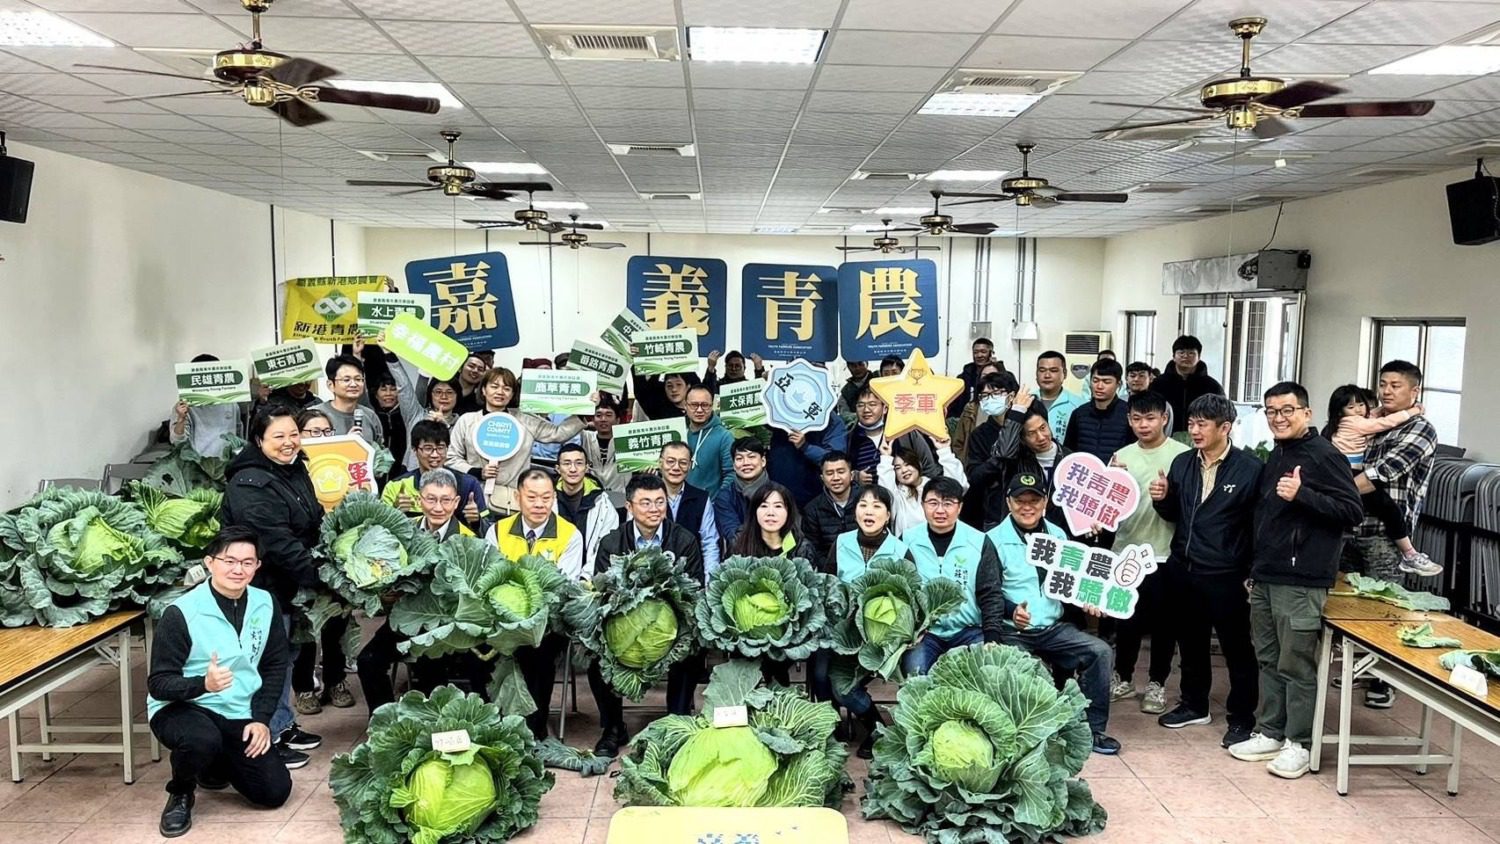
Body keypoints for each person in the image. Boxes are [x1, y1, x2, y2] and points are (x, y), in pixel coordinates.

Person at [1227, 382, 1363, 779]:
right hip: (1267, 575)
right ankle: (1271, 731)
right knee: (1269, 659)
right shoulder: (1279, 453)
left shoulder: (1325, 455)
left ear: (1306, 412)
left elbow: (1352, 511)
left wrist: (1303, 494)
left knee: (1297, 664)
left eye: (1287, 410)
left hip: (1302, 579)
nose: (1279, 418)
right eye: (1271, 411)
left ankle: (1299, 743)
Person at [147, 527, 293, 838]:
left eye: (247, 562)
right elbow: (158, 683)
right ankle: (181, 792)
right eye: (229, 561)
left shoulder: (266, 603)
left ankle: (213, 763)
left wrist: (261, 719)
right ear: (209, 563)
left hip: (238, 709)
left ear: (257, 566)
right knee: (201, 739)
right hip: (182, 706)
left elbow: (275, 665)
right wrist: (203, 684)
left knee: (273, 792)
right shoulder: (181, 612)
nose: (238, 569)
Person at [1150, 394, 1262, 747]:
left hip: (1227, 573)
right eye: (1191, 423)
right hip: (1184, 567)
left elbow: (1258, 526)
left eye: (1202, 424)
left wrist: (1251, 572)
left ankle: (1242, 718)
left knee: (1236, 648)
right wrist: (1162, 498)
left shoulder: (1250, 469)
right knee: (1190, 642)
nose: (1194, 431)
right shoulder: (1182, 463)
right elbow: (1175, 515)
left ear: (1225, 427)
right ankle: (1194, 704)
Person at [221, 408, 322, 769]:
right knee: (263, 662)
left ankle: (280, 723)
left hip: (286, 584)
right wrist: (320, 575)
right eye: (278, 436)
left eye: (293, 434)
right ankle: (264, 739)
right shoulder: (249, 483)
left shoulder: (293, 468)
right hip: (260, 587)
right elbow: (276, 542)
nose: (289, 442)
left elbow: (312, 518)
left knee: (283, 657)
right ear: (259, 440)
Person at [991, 474, 1120, 755]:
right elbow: (987, 593)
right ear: (1008, 503)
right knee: (1025, 674)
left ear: (1045, 502)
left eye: (1034, 500)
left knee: (1100, 651)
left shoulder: (1058, 535)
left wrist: (1089, 599)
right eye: (1020, 500)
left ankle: (1092, 730)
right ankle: (1023, 737)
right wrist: (1012, 610)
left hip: (1054, 628)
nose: (1027, 507)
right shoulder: (992, 540)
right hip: (1013, 632)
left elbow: (1072, 581)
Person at [1345, 361, 1441, 709]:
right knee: (1351, 606)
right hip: (1351, 526)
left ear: (1415, 391)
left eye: (1395, 385)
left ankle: (1384, 680)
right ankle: (1360, 666)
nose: (1386, 391)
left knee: (1386, 608)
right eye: (1383, 384)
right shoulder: (1372, 423)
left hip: (1385, 534)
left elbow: (1380, 473)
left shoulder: (1420, 429)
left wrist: (1332, 491)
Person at [590, 474, 705, 756]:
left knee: (691, 651)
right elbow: (602, 593)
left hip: (672, 629)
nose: (654, 509)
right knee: (594, 658)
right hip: (623, 630)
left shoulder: (684, 540)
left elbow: (694, 589)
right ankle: (613, 727)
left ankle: (676, 720)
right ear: (629, 507)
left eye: (660, 502)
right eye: (645, 503)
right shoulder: (611, 543)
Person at [355, 469, 486, 713]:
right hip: (406, 617)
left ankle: (432, 725)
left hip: (448, 625)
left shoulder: (470, 540)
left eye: (446, 500)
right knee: (368, 661)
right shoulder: (402, 531)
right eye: (431, 499)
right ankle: (384, 721)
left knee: (431, 671)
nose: (438, 507)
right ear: (419, 499)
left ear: (456, 502)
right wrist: (385, 595)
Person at [486, 469, 584, 739]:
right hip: (502, 619)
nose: (539, 504)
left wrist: (531, 618)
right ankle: (491, 723)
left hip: (548, 622)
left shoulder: (570, 535)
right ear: (518, 497)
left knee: (538, 652)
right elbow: (490, 578)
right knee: (475, 651)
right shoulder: (497, 531)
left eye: (546, 497)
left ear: (554, 498)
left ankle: (534, 729)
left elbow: (564, 587)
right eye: (531, 497)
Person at [1107, 392, 1189, 715]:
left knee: (1165, 624)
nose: (1144, 425)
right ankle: (1123, 678)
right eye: (1137, 419)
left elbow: (1188, 504)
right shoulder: (1121, 456)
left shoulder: (1182, 455)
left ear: (1164, 418)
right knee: (1126, 619)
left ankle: (1157, 683)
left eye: (1151, 418)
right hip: (1126, 551)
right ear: (1129, 420)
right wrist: (1113, 481)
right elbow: (1108, 506)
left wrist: (1168, 494)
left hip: (1165, 552)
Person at [1323, 384, 1439, 576]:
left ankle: (1409, 553)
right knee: (1388, 507)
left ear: (1414, 390)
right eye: (1351, 407)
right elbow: (1383, 423)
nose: (1358, 410)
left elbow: (1372, 416)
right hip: (1350, 475)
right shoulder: (1355, 423)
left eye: (1361, 405)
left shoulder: (1336, 426)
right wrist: (1414, 410)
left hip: (1367, 529)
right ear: (1340, 411)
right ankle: (1409, 553)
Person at [830, 485, 909, 757]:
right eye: (863, 505)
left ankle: (880, 729)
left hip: (885, 641)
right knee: (831, 683)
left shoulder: (900, 550)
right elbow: (828, 585)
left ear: (888, 515)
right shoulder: (841, 543)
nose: (869, 512)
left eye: (877, 506)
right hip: (846, 636)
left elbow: (912, 597)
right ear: (855, 512)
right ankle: (872, 724)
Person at [900, 477, 1006, 676]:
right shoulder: (907, 541)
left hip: (968, 630)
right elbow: (900, 592)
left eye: (948, 503)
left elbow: (991, 592)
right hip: (925, 634)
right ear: (923, 505)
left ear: (960, 507)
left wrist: (992, 635)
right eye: (933, 503)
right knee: (914, 673)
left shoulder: (979, 541)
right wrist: (910, 630)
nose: (940, 510)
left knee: (984, 673)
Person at [447, 368, 588, 516]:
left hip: (512, 501)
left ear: (513, 394)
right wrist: (476, 472)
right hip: (473, 499)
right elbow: (451, 457)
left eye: (507, 388)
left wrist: (584, 409)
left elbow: (557, 433)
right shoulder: (467, 420)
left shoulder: (524, 419)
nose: (500, 392)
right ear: (483, 390)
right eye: (494, 386)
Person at [287, 410, 354, 717]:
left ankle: (336, 681)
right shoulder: (291, 471)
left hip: (338, 553)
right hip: (302, 555)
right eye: (313, 432)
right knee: (304, 626)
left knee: (337, 622)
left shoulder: (343, 460)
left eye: (327, 431)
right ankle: (303, 687)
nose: (321, 438)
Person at [383, 420, 486, 533]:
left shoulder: (469, 484)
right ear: (414, 450)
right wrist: (395, 513)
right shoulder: (395, 486)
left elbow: (488, 529)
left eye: (440, 448)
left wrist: (476, 521)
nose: (435, 455)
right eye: (428, 448)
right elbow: (380, 529)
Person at [961, 371, 1022, 529]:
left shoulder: (1025, 425)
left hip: (1025, 500)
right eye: (985, 395)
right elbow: (974, 475)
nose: (990, 398)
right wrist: (998, 460)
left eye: (996, 393)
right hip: (992, 509)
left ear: (1011, 396)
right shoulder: (979, 434)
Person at [659, 440, 722, 580]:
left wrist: (710, 582)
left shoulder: (701, 498)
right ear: (660, 463)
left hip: (692, 577)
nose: (676, 467)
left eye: (683, 462)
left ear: (690, 465)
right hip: (656, 578)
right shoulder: (647, 498)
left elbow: (710, 543)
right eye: (670, 461)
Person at [848, 388, 938, 487]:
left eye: (872, 404)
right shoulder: (850, 440)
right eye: (860, 405)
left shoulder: (905, 433)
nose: (866, 410)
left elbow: (928, 466)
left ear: (885, 408)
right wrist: (855, 477)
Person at [879, 437, 966, 536]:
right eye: (898, 468)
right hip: (908, 544)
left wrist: (945, 452)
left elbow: (958, 487)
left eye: (908, 464)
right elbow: (886, 494)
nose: (904, 470)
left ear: (918, 464)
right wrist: (885, 458)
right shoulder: (898, 496)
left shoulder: (935, 487)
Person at [170, 354, 250, 457]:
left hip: (229, 460)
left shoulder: (231, 404)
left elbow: (239, 433)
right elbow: (177, 441)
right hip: (198, 462)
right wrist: (181, 419)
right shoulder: (184, 408)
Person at [554, 442, 620, 567]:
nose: (573, 469)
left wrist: (586, 575)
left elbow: (606, 547)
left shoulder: (602, 504)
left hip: (590, 574)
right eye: (567, 463)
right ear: (558, 468)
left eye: (579, 463)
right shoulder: (547, 500)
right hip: (552, 572)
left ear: (587, 467)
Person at [769, 413, 849, 507]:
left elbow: (836, 459)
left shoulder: (830, 419)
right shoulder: (779, 412)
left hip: (813, 497)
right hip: (778, 494)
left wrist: (805, 446)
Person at [1150, 335, 1225, 434]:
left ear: (1199, 357)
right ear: (1173, 357)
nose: (1186, 356)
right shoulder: (1158, 384)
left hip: (1201, 437)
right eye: (1181, 352)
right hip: (1165, 437)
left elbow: (1222, 414)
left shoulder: (1212, 387)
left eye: (1191, 353)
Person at [731, 481, 820, 564]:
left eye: (778, 506)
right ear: (754, 511)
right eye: (764, 506)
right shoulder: (739, 544)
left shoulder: (802, 549)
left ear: (788, 512)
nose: (770, 513)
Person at [1064, 358, 1132, 463]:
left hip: (1116, 471)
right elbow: (1068, 451)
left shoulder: (1128, 414)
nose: (1099, 386)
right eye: (1095, 380)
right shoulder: (1079, 414)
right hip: (1083, 470)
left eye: (1106, 382)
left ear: (1118, 384)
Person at [801, 451, 859, 564]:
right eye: (829, 473)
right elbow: (813, 549)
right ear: (822, 478)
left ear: (852, 475)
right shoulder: (812, 509)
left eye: (841, 472)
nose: (835, 478)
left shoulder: (866, 501)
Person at [714, 437, 770, 545]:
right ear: (734, 465)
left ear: (763, 461)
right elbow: (734, 535)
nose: (746, 463)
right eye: (739, 458)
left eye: (751, 457)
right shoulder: (725, 497)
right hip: (741, 552)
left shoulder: (778, 493)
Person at [315, 354, 383, 442]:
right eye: (346, 380)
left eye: (358, 379)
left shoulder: (370, 416)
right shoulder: (314, 415)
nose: (353, 384)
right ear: (330, 385)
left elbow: (379, 449)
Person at [683, 385, 735, 495]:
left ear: (712, 406)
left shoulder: (724, 436)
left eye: (705, 405)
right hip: (679, 502)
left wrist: (719, 500)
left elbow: (731, 474)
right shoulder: (680, 432)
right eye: (694, 405)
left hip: (711, 503)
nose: (699, 410)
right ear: (685, 406)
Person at [950, 362, 1005, 461]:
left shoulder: (1007, 407)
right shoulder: (970, 408)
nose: (988, 380)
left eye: (993, 376)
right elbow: (958, 442)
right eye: (984, 376)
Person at [582, 396, 629, 500]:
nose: (603, 419)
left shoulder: (626, 440)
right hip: (591, 498)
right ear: (593, 420)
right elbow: (572, 427)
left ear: (617, 420)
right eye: (598, 415)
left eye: (608, 415)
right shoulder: (585, 437)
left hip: (620, 498)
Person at [1036, 350, 1085, 443]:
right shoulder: (1026, 401)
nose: (1047, 375)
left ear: (1064, 374)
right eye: (1042, 370)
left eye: (1053, 370)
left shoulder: (1079, 405)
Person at [952, 337, 1002, 418]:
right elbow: (954, 404)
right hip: (968, 418)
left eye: (983, 352)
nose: (979, 355)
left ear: (991, 353)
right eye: (975, 352)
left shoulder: (1003, 376)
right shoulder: (963, 378)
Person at [632, 371, 696, 421]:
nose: (674, 389)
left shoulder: (698, 409)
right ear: (664, 388)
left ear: (688, 386)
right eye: (669, 386)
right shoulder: (659, 412)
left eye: (679, 384)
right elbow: (641, 392)